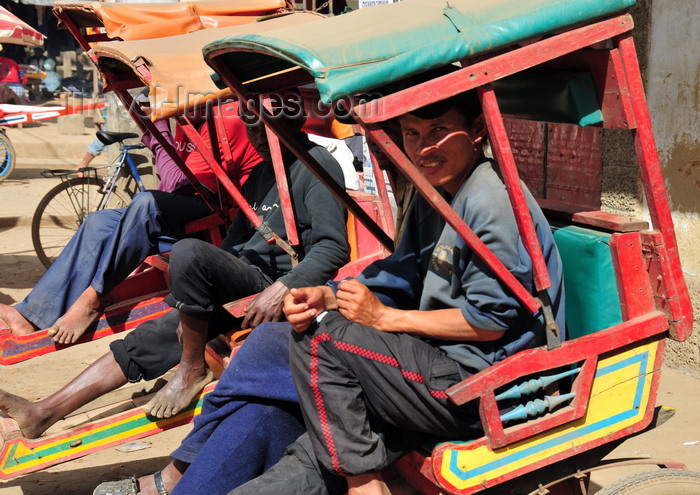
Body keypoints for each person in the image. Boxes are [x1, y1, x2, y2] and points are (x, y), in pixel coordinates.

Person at [95, 88, 566, 495]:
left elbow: (490, 321)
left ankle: (362, 482)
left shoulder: (489, 201)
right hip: (421, 360)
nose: (424, 148)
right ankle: (183, 479)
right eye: (414, 134)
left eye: (440, 130)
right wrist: (328, 294)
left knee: (316, 340)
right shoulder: (438, 192)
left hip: (473, 379)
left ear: (478, 131)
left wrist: (385, 319)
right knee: (273, 372)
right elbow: (401, 271)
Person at [0, 95, 348, 466]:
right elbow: (236, 242)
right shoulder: (263, 172)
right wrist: (191, 301)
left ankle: (192, 368)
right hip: (246, 281)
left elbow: (333, 248)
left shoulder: (315, 166)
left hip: (277, 287)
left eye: (266, 123)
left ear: (293, 123)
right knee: (149, 338)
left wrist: (284, 286)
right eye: (250, 124)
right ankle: (44, 412)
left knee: (186, 251)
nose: (257, 134)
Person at [0, 100, 261, 344]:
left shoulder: (227, 118)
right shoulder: (187, 116)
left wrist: (157, 129)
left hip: (223, 218)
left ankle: (92, 298)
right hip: (189, 206)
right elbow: (174, 183)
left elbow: (173, 184)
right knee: (99, 222)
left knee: (146, 203)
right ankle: (31, 315)